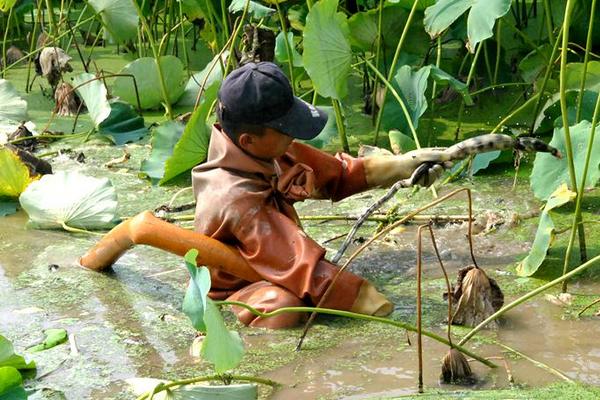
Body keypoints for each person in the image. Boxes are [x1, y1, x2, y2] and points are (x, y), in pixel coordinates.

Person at [192, 62, 452, 329]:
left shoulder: (261, 151)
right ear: (248, 140)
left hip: (277, 261)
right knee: (283, 307)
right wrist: (380, 306)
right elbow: (303, 268)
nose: (292, 135)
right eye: (286, 129)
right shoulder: (236, 198)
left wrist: (405, 165)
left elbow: (337, 175)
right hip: (241, 287)